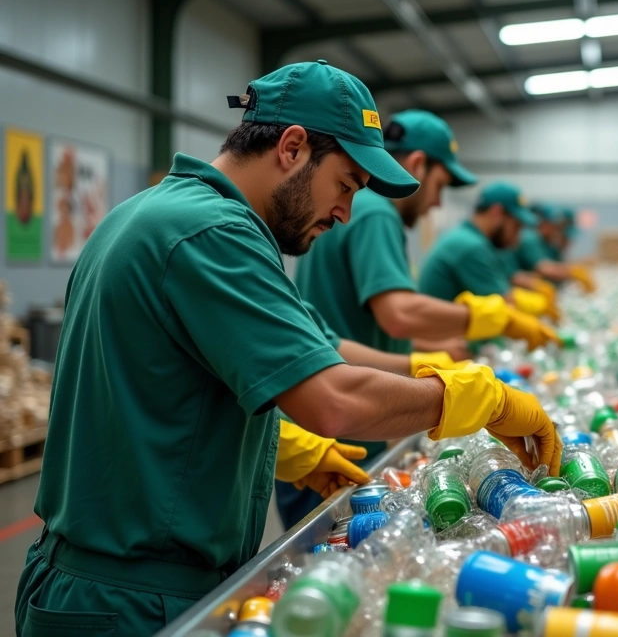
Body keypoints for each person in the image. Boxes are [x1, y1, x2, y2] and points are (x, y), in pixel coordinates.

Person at [14, 61, 561, 637]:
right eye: (345, 185)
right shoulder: (214, 233)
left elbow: (174, 389)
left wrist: (286, 448)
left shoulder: (152, 214)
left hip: (100, 580)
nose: (346, 212)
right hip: (131, 600)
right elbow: (333, 400)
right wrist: (480, 399)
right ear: (292, 147)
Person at [282, 110, 559, 528]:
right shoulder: (375, 213)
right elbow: (399, 314)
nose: (436, 202)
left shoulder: (351, 212)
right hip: (341, 434)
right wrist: (490, 323)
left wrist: (424, 366)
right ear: (416, 165)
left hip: (324, 426)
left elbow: (330, 339)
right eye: (440, 185)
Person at [417, 181, 553, 323]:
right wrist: (540, 306)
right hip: (441, 342)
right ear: (496, 212)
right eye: (516, 226)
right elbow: (504, 304)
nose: (517, 239)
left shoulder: (468, 237)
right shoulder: (471, 245)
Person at [512, 203, 596, 292]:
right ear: (544, 223)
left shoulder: (548, 244)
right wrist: (573, 272)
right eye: (553, 225)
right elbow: (543, 268)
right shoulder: (530, 239)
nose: (555, 229)